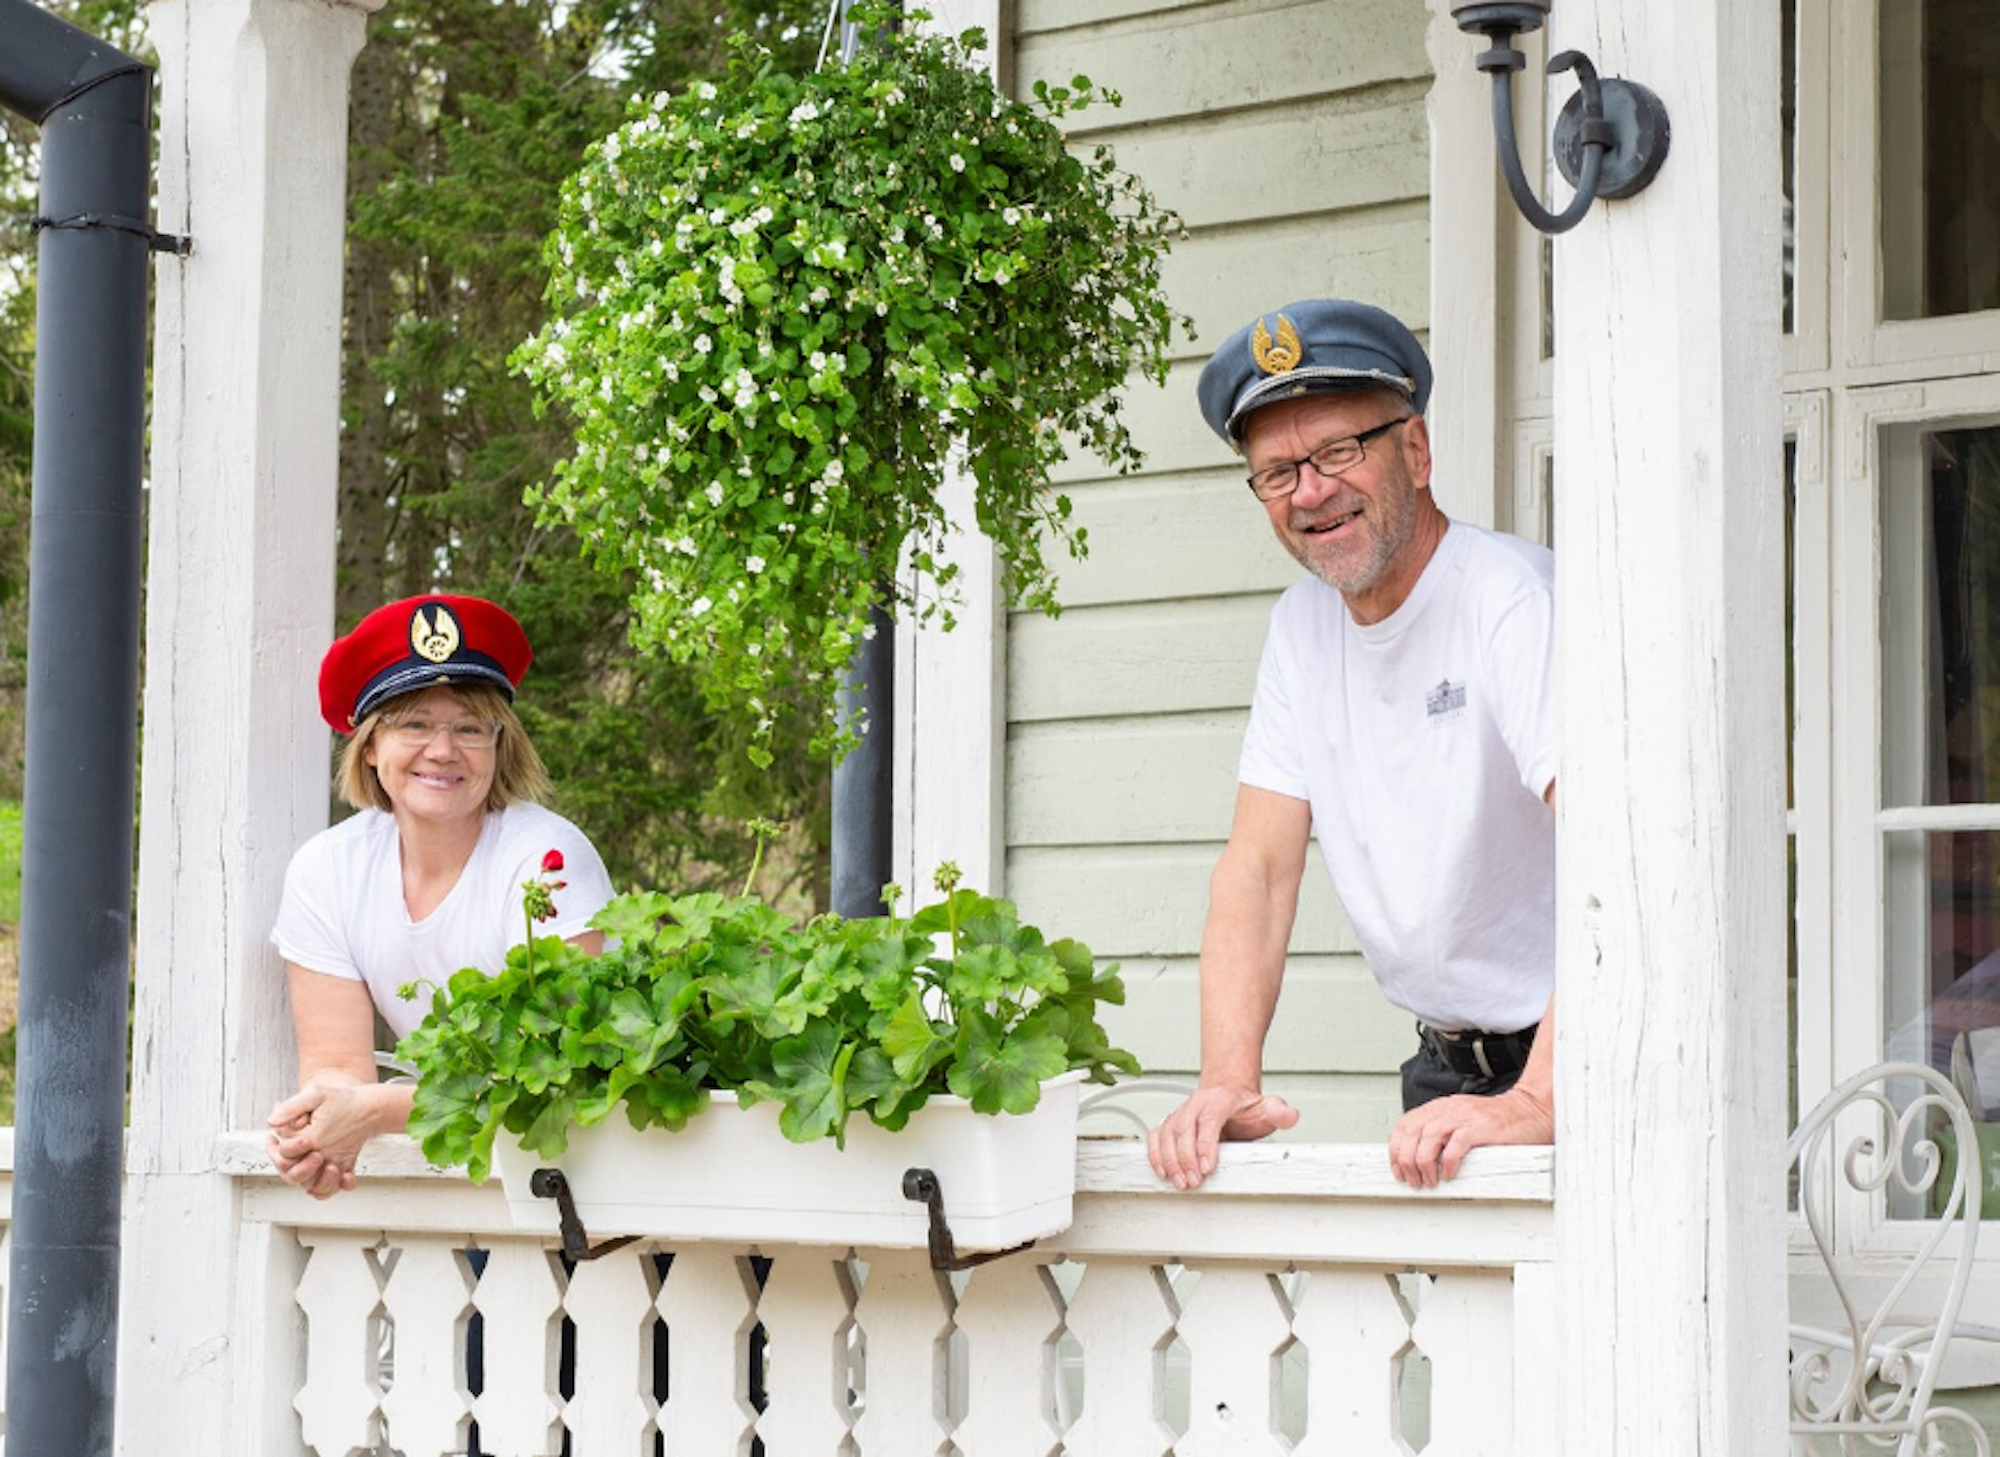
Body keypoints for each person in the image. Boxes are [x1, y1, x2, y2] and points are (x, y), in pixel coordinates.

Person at [1146, 299, 1557, 1191]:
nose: (1311, 491)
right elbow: (1258, 869)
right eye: (1278, 470)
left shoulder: (1510, 600)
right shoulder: (1302, 628)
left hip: (1580, 1054)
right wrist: (1227, 1081)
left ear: (1414, 449)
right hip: (1449, 1076)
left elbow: (1619, 851)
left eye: (1338, 452)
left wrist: (1541, 1096)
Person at [267, 593, 614, 1198]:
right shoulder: (327, 870)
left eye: (469, 727)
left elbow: (556, 1072)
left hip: (593, 1179)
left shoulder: (547, 858)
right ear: (371, 746)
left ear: (500, 745)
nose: (443, 750)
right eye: (415, 724)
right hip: (471, 1181)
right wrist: (318, 1134)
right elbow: (337, 1069)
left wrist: (374, 1111)